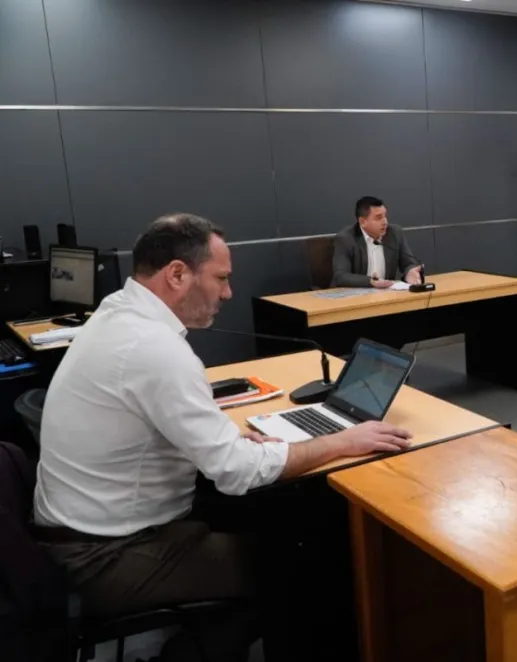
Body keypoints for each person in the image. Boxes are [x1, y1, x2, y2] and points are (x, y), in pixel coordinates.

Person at [32, 214, 412, 662]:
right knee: (297, 563)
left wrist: (243, 446)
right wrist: (343, 442)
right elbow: (234, 473)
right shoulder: (156, 349)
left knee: (271, 518)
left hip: (82, 531)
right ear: (177, 274)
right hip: (108, 556)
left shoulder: (117, 313)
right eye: (222, 278)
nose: (228, 293)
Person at [332, 196, 422, 288]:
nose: (385, 222)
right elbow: (341, 276)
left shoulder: (394, 233)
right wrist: (370, 281)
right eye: (378, 218)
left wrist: (410, 272)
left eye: (385, 216)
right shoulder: (345, 239)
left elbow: (409, 263)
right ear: (363, 221)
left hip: (385, 293)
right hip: (353, 295)